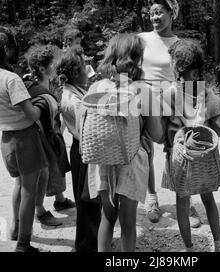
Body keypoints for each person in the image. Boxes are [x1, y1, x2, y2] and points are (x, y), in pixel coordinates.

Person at [86, 33, 164, 252]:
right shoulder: (142, 90)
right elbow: (157, 135)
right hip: (131, 160)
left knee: (107, 217)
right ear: (137, 57)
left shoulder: (96, 87)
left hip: (102, 160)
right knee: (128, 224)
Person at [139, 0, 202, 227]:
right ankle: (151, 198)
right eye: (152, 12)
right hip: (144, 99)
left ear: (172, 14)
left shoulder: (178, 44)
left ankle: (185, 201)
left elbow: (184, 77)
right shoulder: (141, 38)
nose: (155, 17)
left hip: (171, 100)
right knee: (145, 150)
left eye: (160, 12)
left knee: (176, 150)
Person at [161, 39, 220, 252]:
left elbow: (162, 132)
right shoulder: (207, 94)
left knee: (182, 201)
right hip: (205, 157)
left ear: (178, 67)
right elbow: (219, 129)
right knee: (208, 198)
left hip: (180, 159)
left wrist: (174, 137)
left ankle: (189, 250)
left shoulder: (170, 93)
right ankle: (218, 246)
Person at [0, 27, 45, 252]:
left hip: (5, 139)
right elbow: (32, 114)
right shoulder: (11, 78)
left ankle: (15, 230)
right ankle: (23, 244)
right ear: (5, 50)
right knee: (29, 189)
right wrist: (41, 102)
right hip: (25, 139)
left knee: (19, 184)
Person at [56, 46, 101, 252]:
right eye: (84, 67)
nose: (88, 71)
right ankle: (87, 245)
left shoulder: (74, 91)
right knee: (88, 199)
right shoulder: (74, 99)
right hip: (84, 150)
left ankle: (89, 241)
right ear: (75, 73)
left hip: (80, 148)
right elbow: (88, 128)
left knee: (88, 199)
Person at [24, 44, 74, 227]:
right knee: (43, 173)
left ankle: (59, 200)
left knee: (57, 165)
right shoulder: (32, 88)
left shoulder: (51, 83)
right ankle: (39, 210)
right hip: (41, 137)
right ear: (43, 68)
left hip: (53, 133)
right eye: (54, 64)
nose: (58, 68)